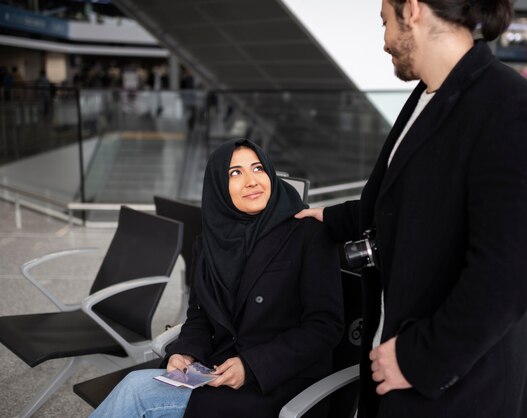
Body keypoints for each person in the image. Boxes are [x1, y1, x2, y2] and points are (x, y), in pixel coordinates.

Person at [296, 0, 527, 417]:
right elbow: (403, 200)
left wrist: (419, 358)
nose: (384, 41)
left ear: (414, 10)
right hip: (392, 363)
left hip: (455, 388)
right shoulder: (427, 95)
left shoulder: (513, 108)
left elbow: (511, 273)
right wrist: (330, 218)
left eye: (385, 21)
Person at [91, 138, 344, 418]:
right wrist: (186, 353)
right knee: (137, 391)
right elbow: (200, 314)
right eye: (235, 173)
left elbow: (324, 326)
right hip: (218, 371)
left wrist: (251, 366)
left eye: (258, 168)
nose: (251, 181)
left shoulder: (308, 233)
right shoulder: (210, 242)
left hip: (280, 384)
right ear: (218, 187)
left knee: (136, 393)